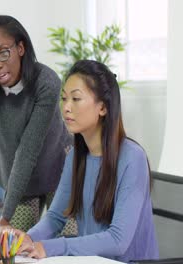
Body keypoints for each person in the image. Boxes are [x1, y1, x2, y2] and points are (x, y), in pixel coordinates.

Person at [14, 60, 159, 262]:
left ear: (103, 108)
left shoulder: (133, 158)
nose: (66, 107)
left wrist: (51, 246)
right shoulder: (75, 155)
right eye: (64, 99)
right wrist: (28, 238)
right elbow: (55, 217)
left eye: (76, 98)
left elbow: (118, 240)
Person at [0, 15, 72, 231]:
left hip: (59, 173)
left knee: (65, 243)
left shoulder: (46, 82)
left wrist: (5, 215)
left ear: (21, 48)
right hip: (20, 182)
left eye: (3, 53)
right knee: (14, 245)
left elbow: (28, 150)